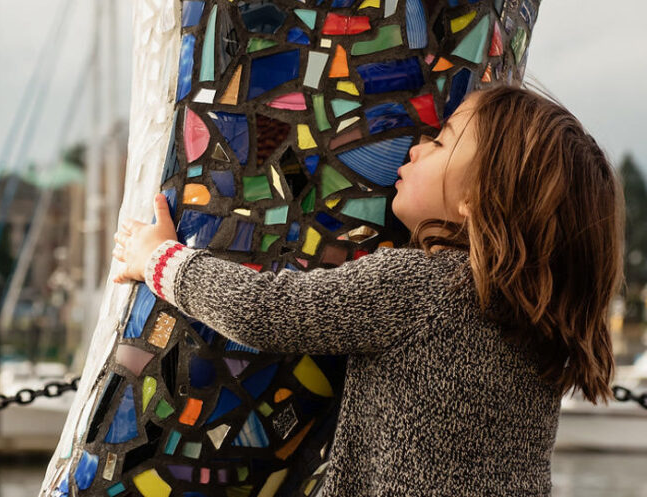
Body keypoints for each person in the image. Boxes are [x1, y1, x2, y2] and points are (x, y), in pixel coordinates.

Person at [112, 83, 624, 496]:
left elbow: (264, 312)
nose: (417, 145)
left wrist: (158, 259)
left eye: (441, 141)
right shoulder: (543, 328)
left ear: (478, 198)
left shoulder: (423, 288)